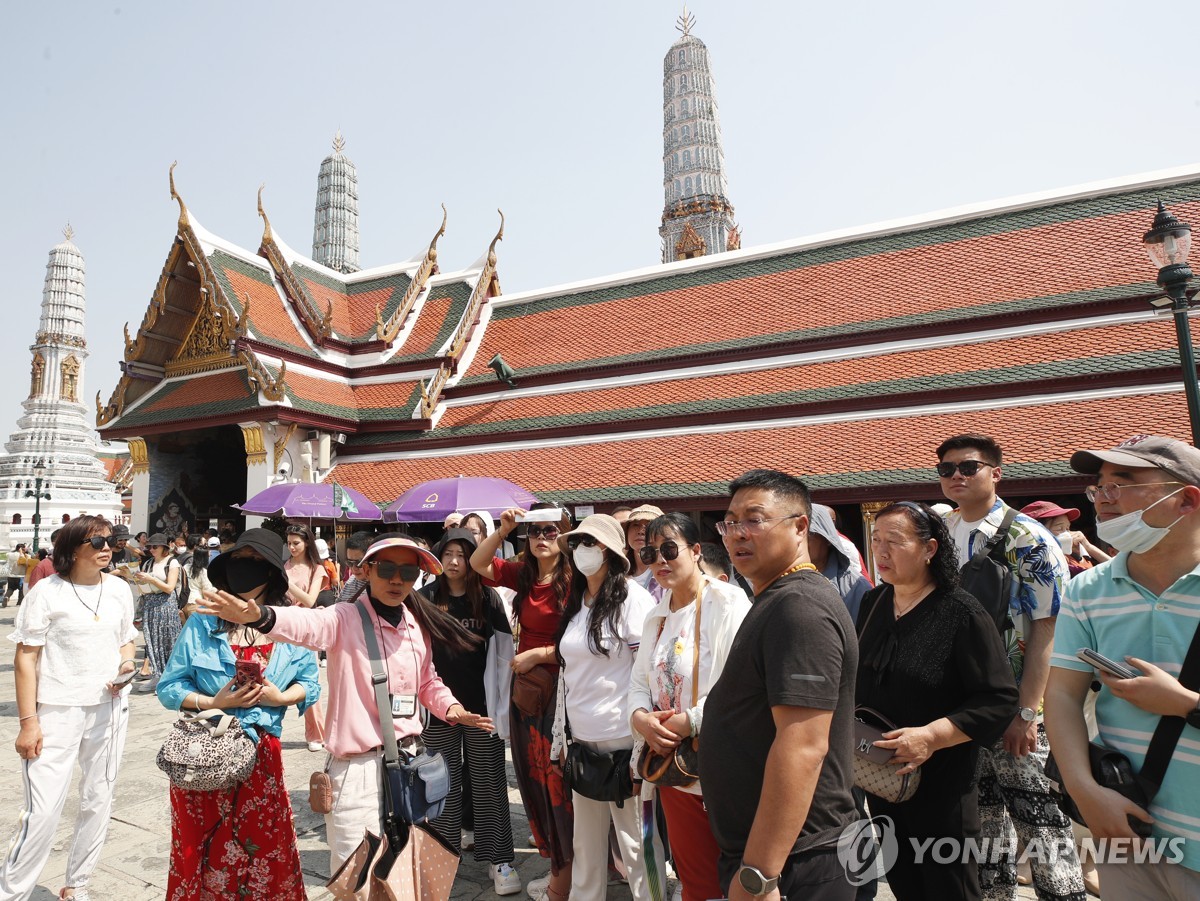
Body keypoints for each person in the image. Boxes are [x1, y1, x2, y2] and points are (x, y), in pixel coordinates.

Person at [198, 534, 491, 875]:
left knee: (405, 874)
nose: (397, 580)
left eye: (408, 573)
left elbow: (427, 680)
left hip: (410, 766)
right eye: (387, 569)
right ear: (366, 570)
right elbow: (306, 625)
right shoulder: (344, 618)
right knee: (357, 875)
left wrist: (452, 709)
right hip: (358, 769)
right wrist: (261, 616)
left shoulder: (414, 624)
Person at [1045, 435, 1200, 897]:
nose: (1103, 498)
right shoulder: (1087, 589)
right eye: (1099, 487)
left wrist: (1186, 704)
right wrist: (1085, 792)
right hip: (1126, 823)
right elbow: (1062, 695)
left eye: (1123, 483)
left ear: (1186, 500)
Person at [935, 434, 1084, 901]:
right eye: (946, 469)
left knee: (1040, 822)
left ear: (996, 473)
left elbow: (1046, 629)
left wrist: (1028, 713)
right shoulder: (940, 533)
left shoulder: (1027, 537)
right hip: (961, 704)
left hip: (1013, 700)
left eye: (968, 467)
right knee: (981, 825)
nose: (956, 476)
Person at [700, 469, 858, 901]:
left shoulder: (799, 608)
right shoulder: (775, 598)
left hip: (796, 861)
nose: (738, 534)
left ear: (800, 526)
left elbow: (803, 746)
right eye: (730, 522)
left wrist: (758, 875)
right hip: (775, 853)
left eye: (754, 519)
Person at [856, 502, 1018, 899]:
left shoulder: (962, 612)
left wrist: (931, 737)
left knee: (950, 888)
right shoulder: (873, 603)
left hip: (941, 784)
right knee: (904, 883)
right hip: (879, 777)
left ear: (929, 549)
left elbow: (998, 698)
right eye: (876, 541)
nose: (881, 552)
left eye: (894, 542)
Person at [156, 528, 319, 900]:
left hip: (262, 755)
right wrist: (214, 702)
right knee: (201, 850)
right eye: (241, 561)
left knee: (264, 849)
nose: (247, 570)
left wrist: (279, 698)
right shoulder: (202, 621)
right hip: (206, 756)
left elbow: (311, 682)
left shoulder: (289, 623)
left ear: (274, 573)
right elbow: (169, 688)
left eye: (258, 563)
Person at [1, 515, 136, 901]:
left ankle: (78, 884)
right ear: (72, 549)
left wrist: (126, 665)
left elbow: (126, 641)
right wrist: (29, 722)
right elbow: (25, 659)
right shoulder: (46, 593)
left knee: (99, 798)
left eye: (111, 541)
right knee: (42, 811)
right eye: (96, 543)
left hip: (109, 706)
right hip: (57, 709)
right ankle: (12, 892)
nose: (107, 549)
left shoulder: (119, 590)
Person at [629, 513, 751, 901]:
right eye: (651, 553)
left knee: (739, 875)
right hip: (673, 766)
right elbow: (636, 685)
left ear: (696, 551)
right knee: (695, 879)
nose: (660, 561)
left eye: (669, 549)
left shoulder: (726, 601)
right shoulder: (657, 615)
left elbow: (740, 682)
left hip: (719, 763)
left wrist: (690, 721)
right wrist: (641, 720)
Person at [548, 514, 659, 901]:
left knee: (635, 848)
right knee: (587, 848)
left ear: (611, 552)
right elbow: (567, 675)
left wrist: (643, 745)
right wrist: (560, 737)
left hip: (624, 743)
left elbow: (646, 674)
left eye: (590, 544)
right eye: (576, 544)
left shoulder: (632, 599)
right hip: (582, 741)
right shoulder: (576, 603)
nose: (581, 552)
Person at [470, 505, 574, 901]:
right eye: (534, 533)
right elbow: (480, 564)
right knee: (533, 779)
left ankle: (565, 872)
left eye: (550, 531)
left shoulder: (576, 577)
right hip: (528, 691)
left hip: (562, 691)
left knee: (557, 781)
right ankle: (557, 863)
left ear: (564, 535)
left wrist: (540, 654)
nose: (542, 538)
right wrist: (503, 530)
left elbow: (584, 640)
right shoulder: (525, 576)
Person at [419, 528, 521, 896]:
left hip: (482, 711)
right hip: (439, 710)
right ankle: (440, 858)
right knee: (439, 786)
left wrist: (503, 708)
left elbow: (505, 652)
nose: (454, 561)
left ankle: (501, 860)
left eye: (463, 554)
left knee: (489, 784)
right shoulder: (425, 598)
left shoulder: (488, 599)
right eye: (448, 554)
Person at [283, 524, 328, 751]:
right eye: (289, 543)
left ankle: (316, 734)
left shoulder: (316, 569)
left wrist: (287, 583)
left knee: (309, 683)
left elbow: (311, 601)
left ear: (307, 543)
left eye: (296, 543)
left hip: (306, 628)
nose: (291, 547)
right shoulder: (283, 566)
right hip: (283, 626)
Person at [132, 533, 184, 694]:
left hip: (166, 605)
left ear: (164, 548)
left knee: (168, 639)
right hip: (150, 604)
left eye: (155, 546)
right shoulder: (148, 563)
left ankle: (169, 678)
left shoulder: (172, 562)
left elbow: (170, 588)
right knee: (152, 640)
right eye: (150, 546)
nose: (152, 549)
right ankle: (157, 674)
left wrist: (151, 579)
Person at [808, 503, 873, 622]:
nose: (801, 541)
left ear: (828, 539)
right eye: (796, 533)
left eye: (810, 534)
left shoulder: (855, 587)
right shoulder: (779, 580)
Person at [1019, 500, 1111, 578]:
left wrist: (1088, 547)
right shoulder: (1043, 564)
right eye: (1059, 528)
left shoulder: (1073, 559)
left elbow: (1118, 569)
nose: (1067, 534)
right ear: (1037, 533)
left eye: (1067, 528)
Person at [624, 505, 665, 601]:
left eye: (648, 526)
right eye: (635, 525)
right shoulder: (618, 572)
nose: (641, 531)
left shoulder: (665, 571)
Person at [337, 531, 374, 602]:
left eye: (359, 563)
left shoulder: (380, 587)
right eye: (349, 562)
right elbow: (339, 603)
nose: (354, 568)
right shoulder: (351, 580)